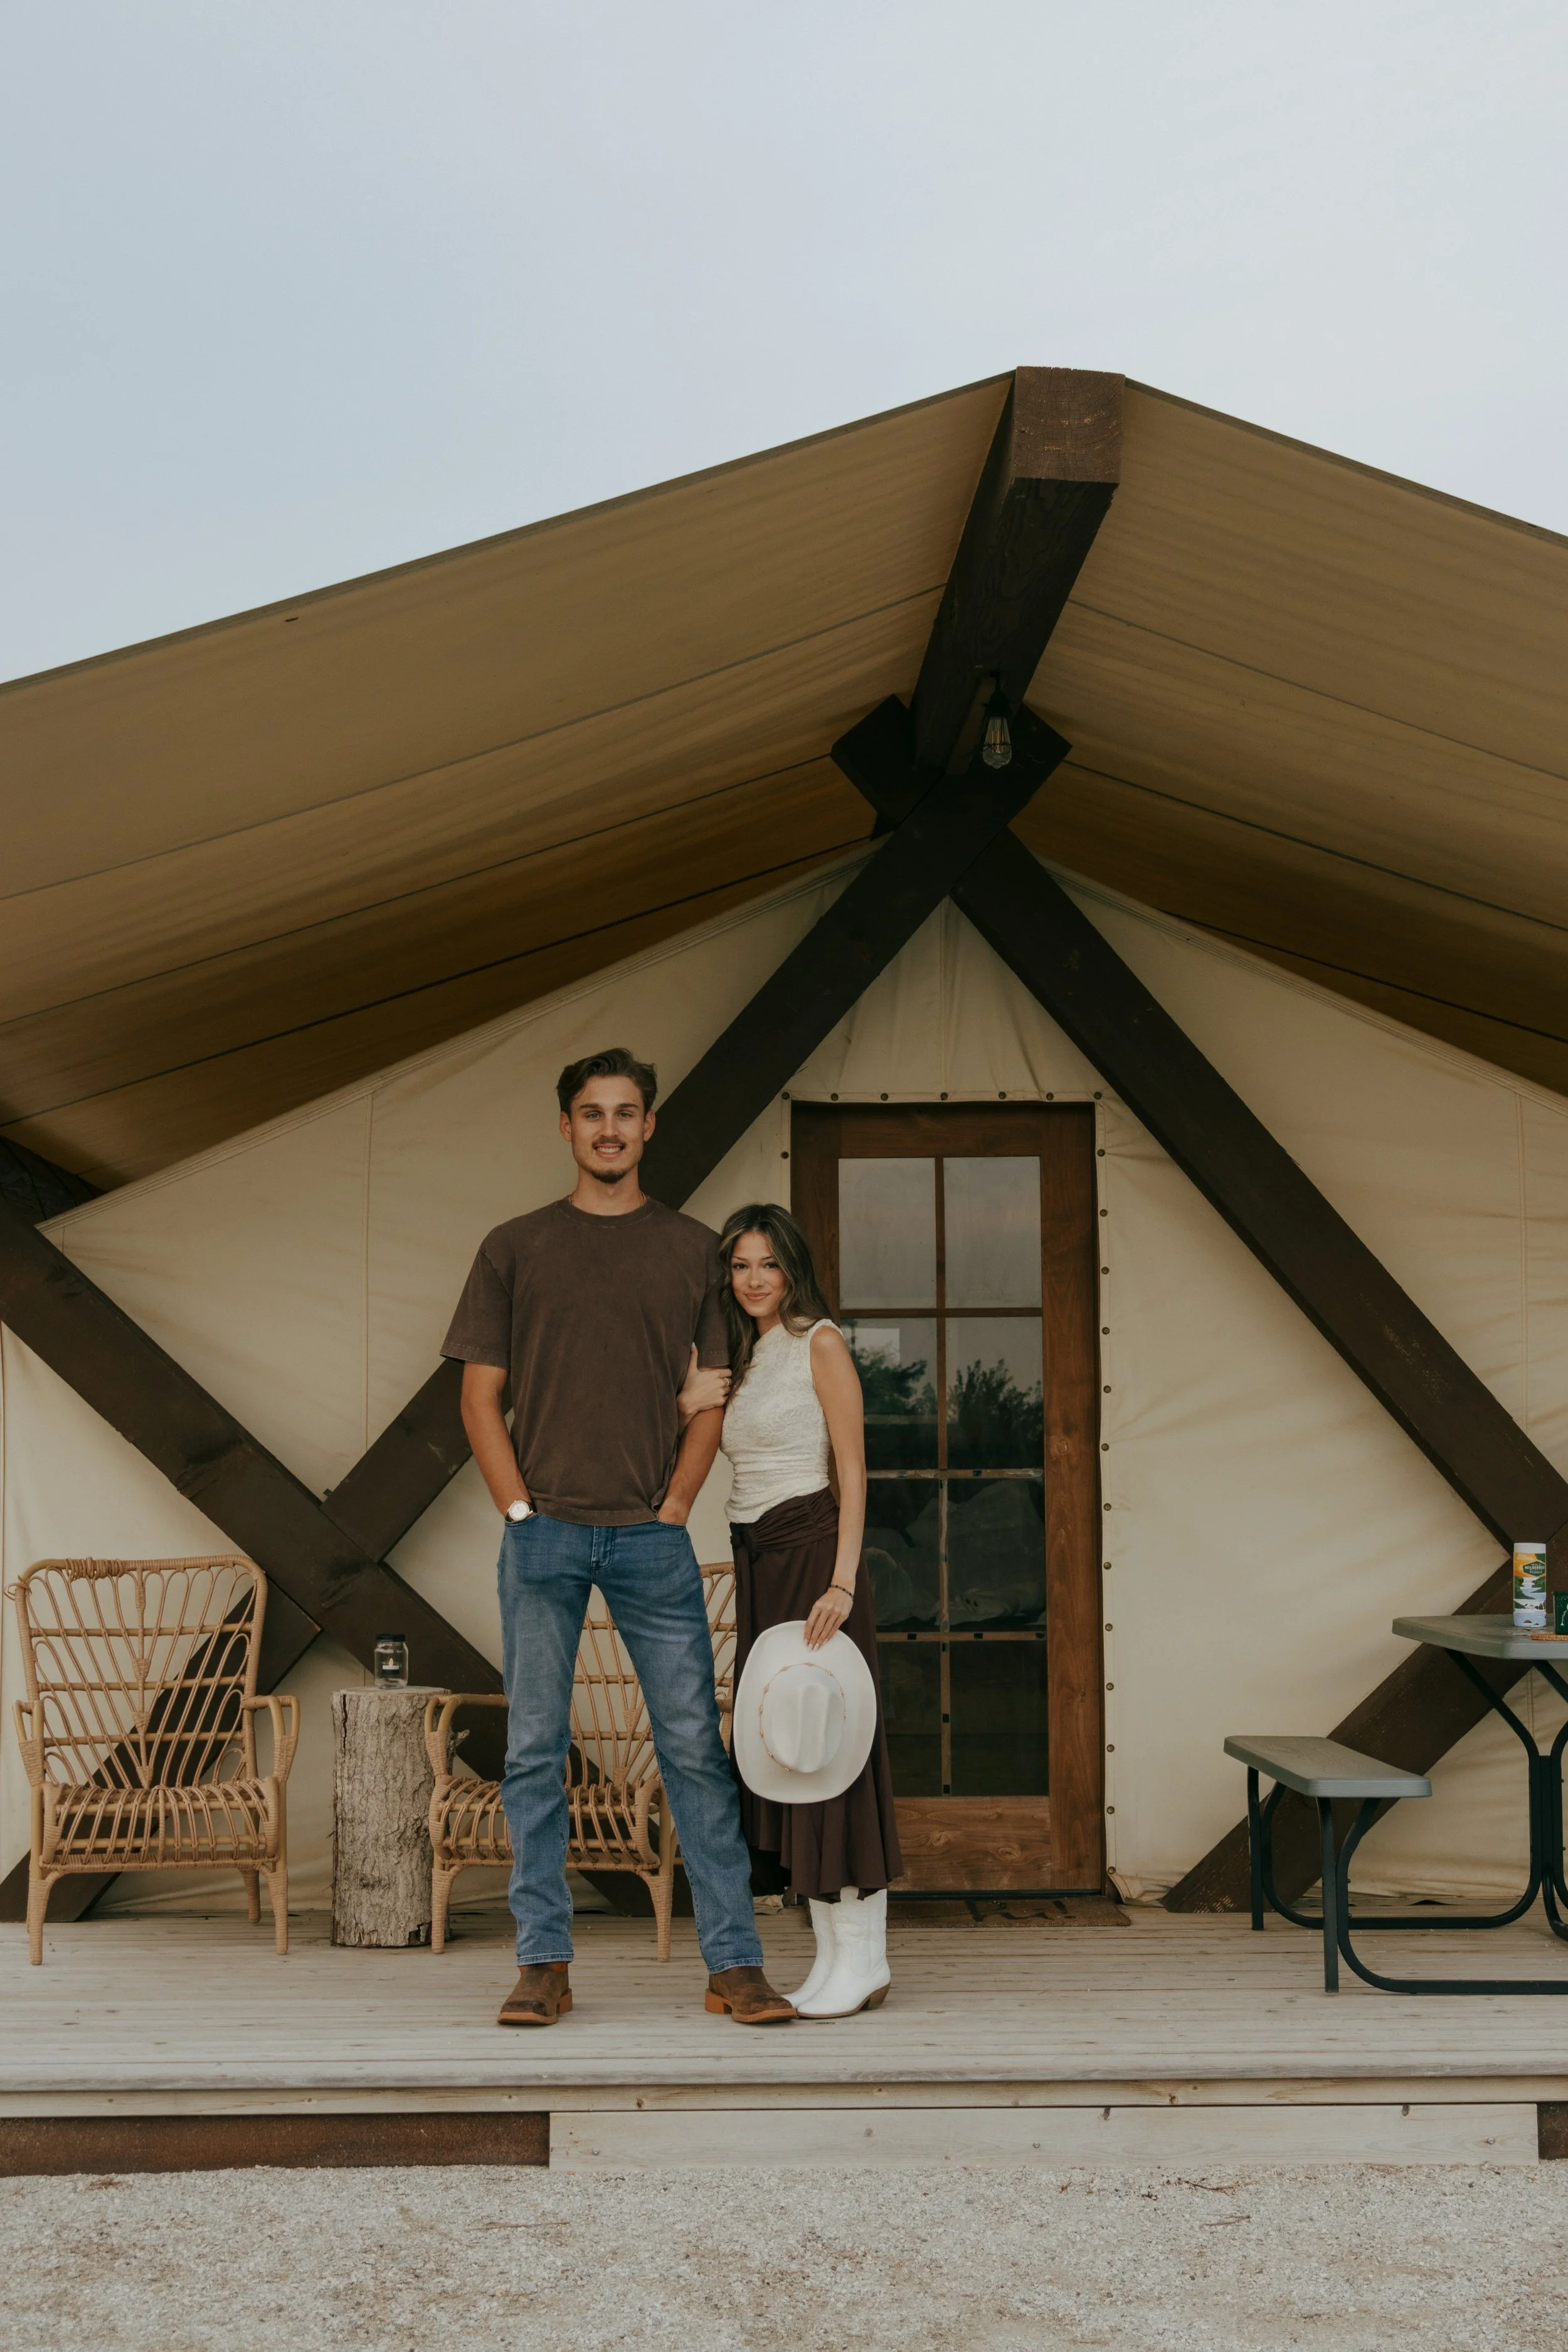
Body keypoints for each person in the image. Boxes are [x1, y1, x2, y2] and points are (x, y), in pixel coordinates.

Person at [442, 1048, 796, 2029]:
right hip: (543, 1535)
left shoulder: (692, 1249)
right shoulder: (514, 1246)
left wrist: (677, 1504)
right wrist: (518, 1508)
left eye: (626, 1112)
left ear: (649, 1127)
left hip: (650, 1539)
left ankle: (734, 1964)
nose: (609, 1128)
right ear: (566, 1127)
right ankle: (543, 1962)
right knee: (532, 1750)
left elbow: (711, 1394)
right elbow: (479, 1396)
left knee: (692, 1748)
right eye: (591, 1113)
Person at [678, 1202, 902, 2016]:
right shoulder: (744, 1353)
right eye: (739, 1265)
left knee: (834, 1738)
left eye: (766, 1263)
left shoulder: (821, 1342)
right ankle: (833, 1956)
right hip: (759, 1562)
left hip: (813, 1557)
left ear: (792, 1267)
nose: (753, 1278)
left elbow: (853, 1468)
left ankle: (867, 1957)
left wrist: (841, 1583)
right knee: (790, 1746)